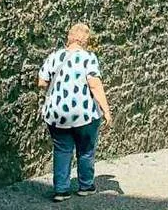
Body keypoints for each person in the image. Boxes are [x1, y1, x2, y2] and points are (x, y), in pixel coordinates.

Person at [38, 22, 114, 202]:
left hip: (57, 114)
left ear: (69, 37)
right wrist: (106, 110)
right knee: (86, 150)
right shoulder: (88, 58)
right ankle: (85, 186)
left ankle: (61, 190)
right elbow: (95, 85)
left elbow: (41, 82)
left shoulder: (55, 56)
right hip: (84, 114)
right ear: (85, 40)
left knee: (62, 149)